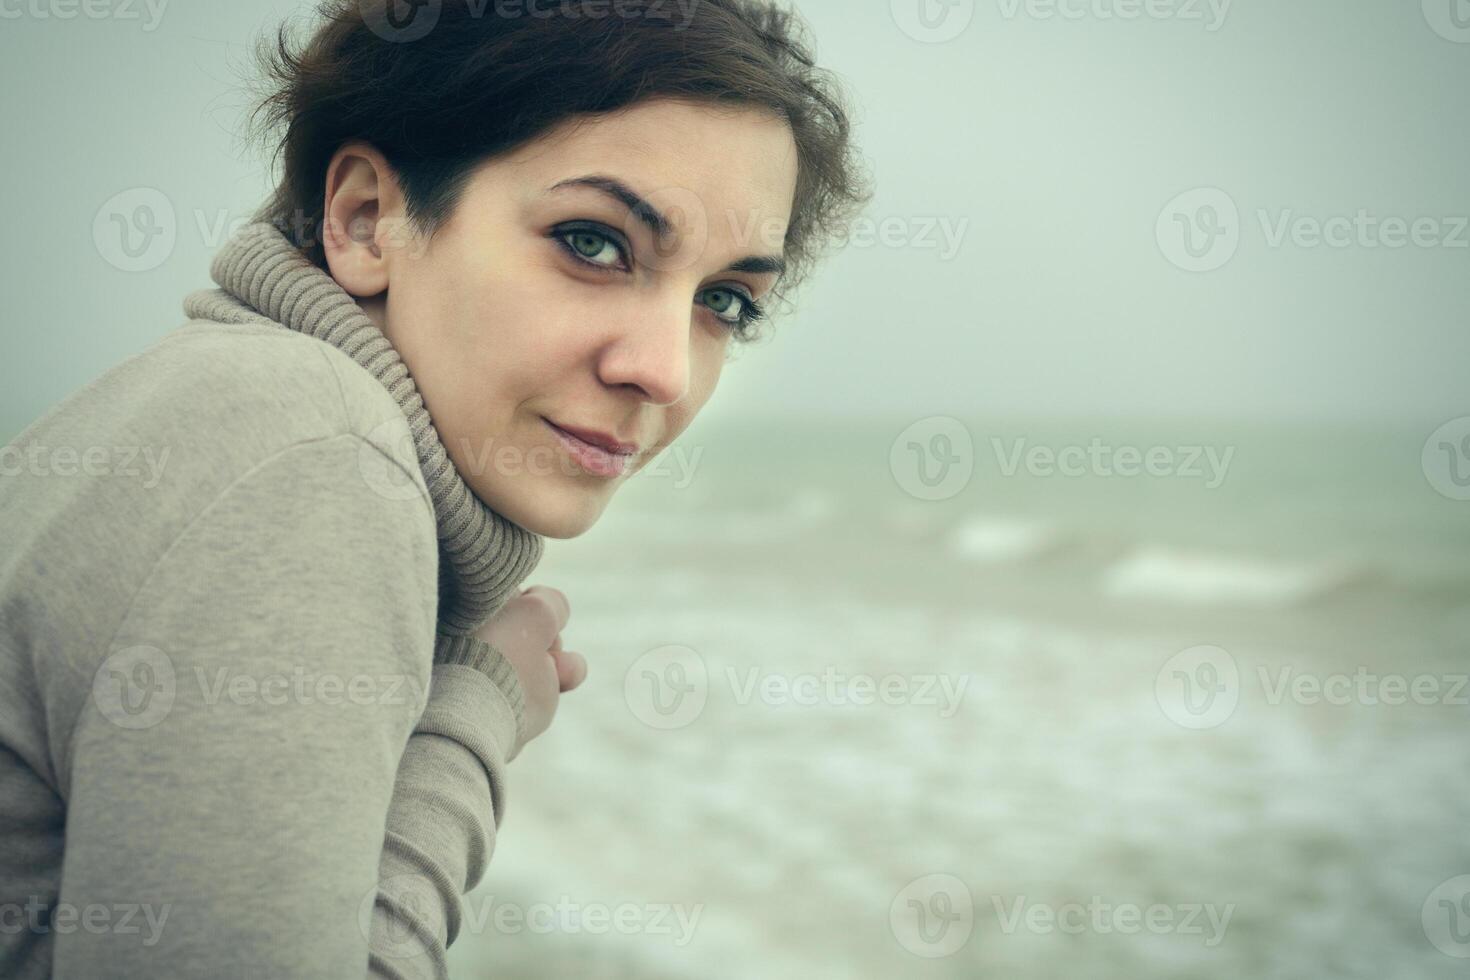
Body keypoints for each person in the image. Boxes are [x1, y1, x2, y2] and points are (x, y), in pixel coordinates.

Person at [0, 0, 870, 975]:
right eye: (593, 242)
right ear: (368, 219)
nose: (664, 370)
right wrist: (473, 719)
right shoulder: (311, 449)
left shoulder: (237, 404)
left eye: (724, 302)